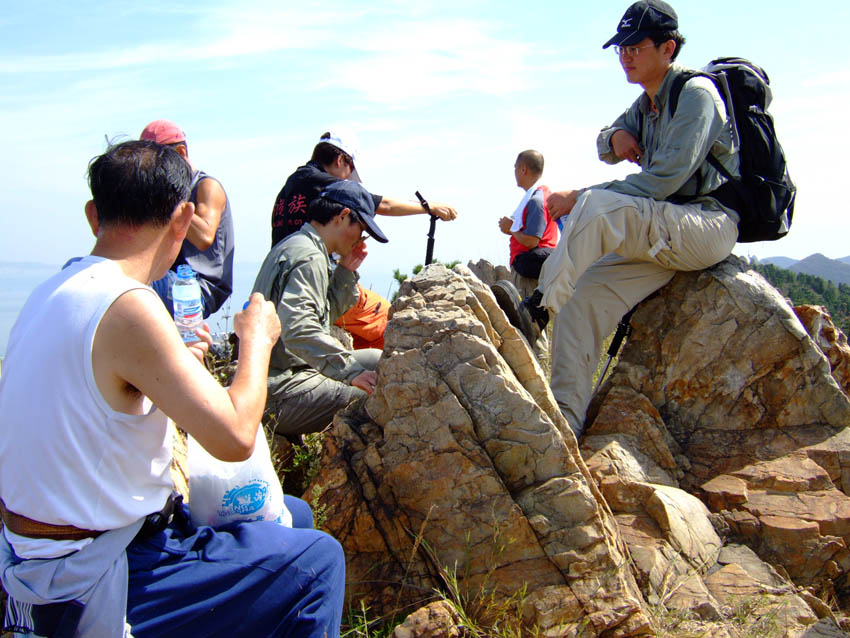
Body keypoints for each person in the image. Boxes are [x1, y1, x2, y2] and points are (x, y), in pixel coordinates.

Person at [0, 140, 345, 637]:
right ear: (184, 220)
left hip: (40, 551)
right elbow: (235, 437)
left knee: (294, 514)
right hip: (101, 568)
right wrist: (257, 342)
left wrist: (182, 363)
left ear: (93, 215)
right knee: (318, 561)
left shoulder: (51, 291)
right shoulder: (128, 304)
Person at [501, 0, 740, 438]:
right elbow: (602, 144)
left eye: (635, 47)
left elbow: (662, 181)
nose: (625, 56)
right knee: (580, 299)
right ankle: (566, 424)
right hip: (664, 231)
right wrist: (616, 136)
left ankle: (536, 311)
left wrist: (580, 197)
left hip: (705, 223)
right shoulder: (647, 103)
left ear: (667, 48)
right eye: (621, 48)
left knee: (594, 206)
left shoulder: (696, 96)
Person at [254, 180, 390, 436]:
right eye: (361, 231)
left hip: (285, 373)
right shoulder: (310, 258)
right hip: (277, 391)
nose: (360, 240)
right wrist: (351, 372)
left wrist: (345, 271)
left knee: (378, 359)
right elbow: (299, 330)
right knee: (379, 397)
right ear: (343, 216)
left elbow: (318, 320)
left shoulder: (298, 244)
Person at [270, 130, 458, 247]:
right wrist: (429, 207)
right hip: (302, 273)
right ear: (340, 160)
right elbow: (383, 205)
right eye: (350, 170)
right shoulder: (326, 185)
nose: (347, 179)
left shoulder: (291, 184)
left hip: (276, 272)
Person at [141, 119, 235, 318]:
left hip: (199, 288)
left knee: (129, 282)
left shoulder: (207, 186)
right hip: (168, 279)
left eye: (156, 162)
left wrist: (169, 198)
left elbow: (204, 237)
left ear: (181, 152)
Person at [497, 150, 558, 286]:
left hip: (529, 273)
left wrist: (511, 228)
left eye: (515, 168)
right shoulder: (544, 195)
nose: (514, 172)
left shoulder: (536, 200)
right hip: (542, 267)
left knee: (526, 300)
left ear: (523, 169)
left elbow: (532, 241)